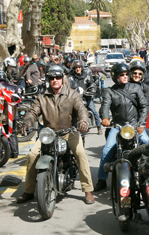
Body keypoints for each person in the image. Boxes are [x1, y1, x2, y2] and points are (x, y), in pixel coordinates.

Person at [17, 65, 95, 204]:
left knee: (80, 154)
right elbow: (33, 112)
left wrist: (83, 121)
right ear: (48, 79)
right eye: (52, 78)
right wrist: (27, 123)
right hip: (48, 134)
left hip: (68, 132)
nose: (55, 80)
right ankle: (28, 191)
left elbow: (81, 108)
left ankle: (88, 190)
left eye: (57, 77)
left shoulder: (72, 94)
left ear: (62, 78)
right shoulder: (42, 97)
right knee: (32, 155)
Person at [94, 63, 149, 192]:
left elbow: (143, 106)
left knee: (147, 143)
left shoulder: (135, 88)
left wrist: (141, 124)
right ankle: (101, 179)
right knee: (107, 150)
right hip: (118, 127)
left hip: (135, 126)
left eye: (126, 74)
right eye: (121, 75)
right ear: (115, 77)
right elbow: (105, 106)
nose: (125, 77)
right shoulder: (109, 91)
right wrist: (105, 118)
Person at [67, 60, 102, 135]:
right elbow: (67, 86)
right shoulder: (70, 77)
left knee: (93, 110)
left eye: (79, 67)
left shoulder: (86, 74)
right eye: (76, 67)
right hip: (75, 97)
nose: (78, 69)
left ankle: (99, 127)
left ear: (82, 68)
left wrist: (92, 89)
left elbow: (92, 83)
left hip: (86, 96)